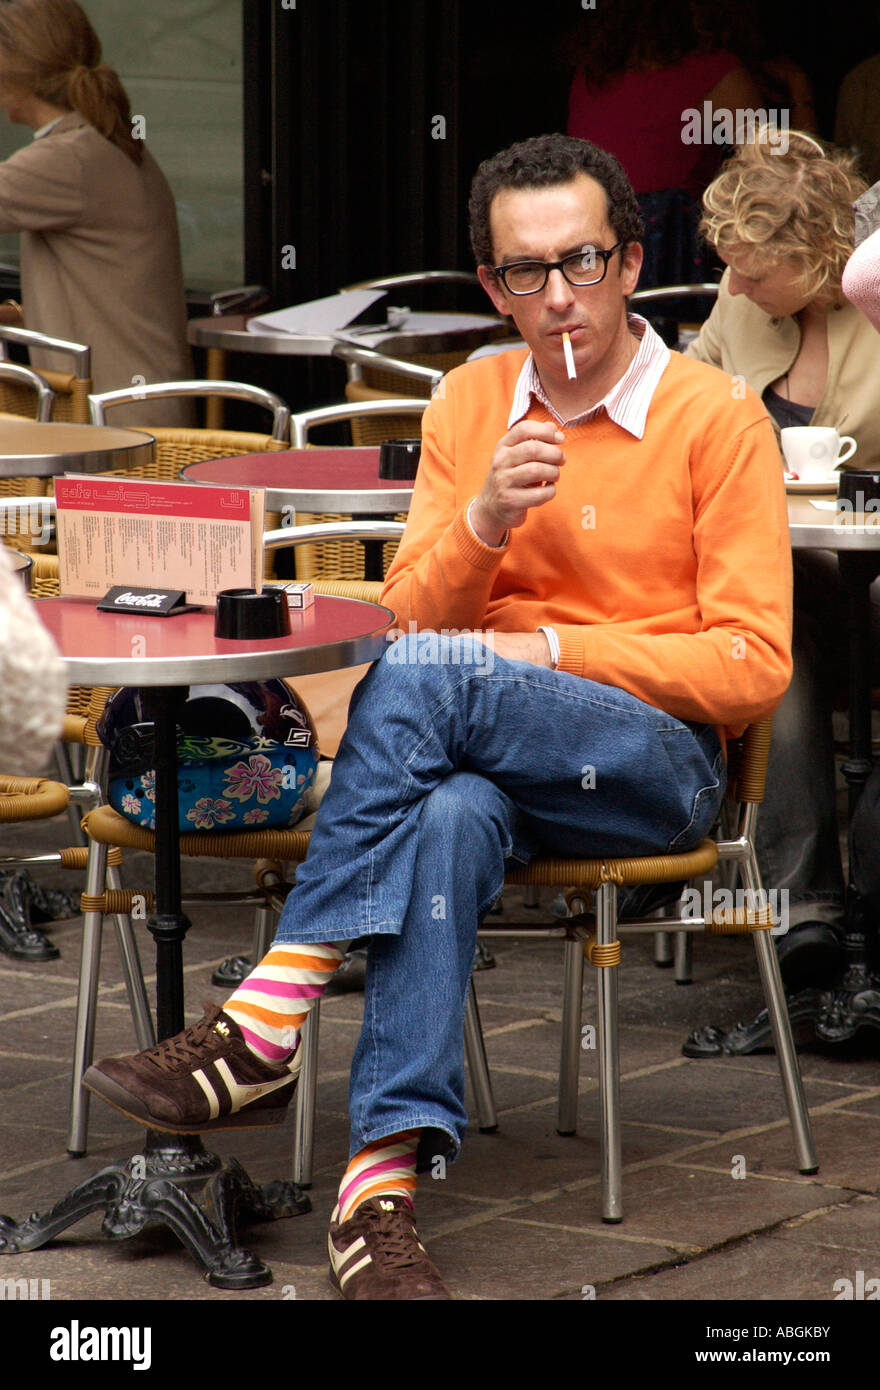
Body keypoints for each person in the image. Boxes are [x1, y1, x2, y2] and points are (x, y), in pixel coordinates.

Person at [82, 133, 792, 1300]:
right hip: (483, 768)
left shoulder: (716, 418)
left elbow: (751, 665)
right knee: (448, 813)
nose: (557, 294)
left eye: (582, 260)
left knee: (436, 678)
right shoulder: (470, 400)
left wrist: (546, 649)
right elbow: (403, 622)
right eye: (526, 272)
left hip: (648, 769)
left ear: (627, 261)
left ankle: (266, 1014)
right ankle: (378, 1198)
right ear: (491, 287)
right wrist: (482, 530)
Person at [685, 130, 880, 984]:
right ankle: (805, 913)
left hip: (873, 575)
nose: (734, 286)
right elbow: (678, 414)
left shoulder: (879, 306)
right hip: (784, 575)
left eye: (755, 271)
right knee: (771, 656)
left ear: (823, 256)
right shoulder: (736, 312)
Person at [0, 0, 192, 423]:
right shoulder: (97, 141)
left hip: (113, 419)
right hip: (134, 403)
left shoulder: (69, 158)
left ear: (14, 69)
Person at [565, 0, 763, 287]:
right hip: (676, 271)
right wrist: (799, 95)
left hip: (590, 265)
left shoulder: (590, 77)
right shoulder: (717, 72)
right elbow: (778, 178)